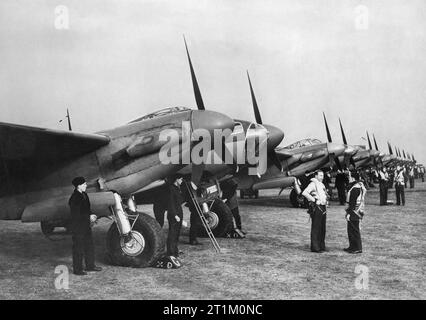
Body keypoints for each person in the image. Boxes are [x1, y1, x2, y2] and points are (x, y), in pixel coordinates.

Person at [68, 176, 102, 276]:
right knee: (78, 248)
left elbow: (86, 209)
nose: (86, 185)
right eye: (84, 184)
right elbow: (76, 214)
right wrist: (89, 217)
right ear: (79, 186)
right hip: (78, 226)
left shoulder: (84, 195)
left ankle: (90, 266)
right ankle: (77, 270)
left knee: (89, 245)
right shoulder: (74, 198)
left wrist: (92, 214)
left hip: (85, 225)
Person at [302, 170, 328, 253]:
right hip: (317, 208)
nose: (322, 177)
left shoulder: (322, 184)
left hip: (323, 207)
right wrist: (314, 200)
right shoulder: (312, 184)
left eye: (322, 175)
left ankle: (321, 246)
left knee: (322, 228)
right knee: (316, 228)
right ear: (316, 176)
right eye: (320, 175)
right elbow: (305, 193)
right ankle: (315, 247)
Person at [344, 172, 366, 254]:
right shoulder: (359, 186)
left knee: (354, 230)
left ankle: (357, 248)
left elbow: (352, 203)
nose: (349, 178)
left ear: (353, 178)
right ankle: (352, 246)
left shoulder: (354, 189)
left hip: (354, 211)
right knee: (352, 229)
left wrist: (349, 213)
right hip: (357, 211)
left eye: (350, 177)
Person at [166, 176, 184, 258]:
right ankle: (170, 252)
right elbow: (170, 203)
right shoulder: (171, 189)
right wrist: (175, 215)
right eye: (180, 179)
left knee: (177, 233)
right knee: (172, 233)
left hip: (179, 212)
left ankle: (175, 251)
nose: (181, 181)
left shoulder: (177, 188)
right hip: (174, 214)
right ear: (176, 179)